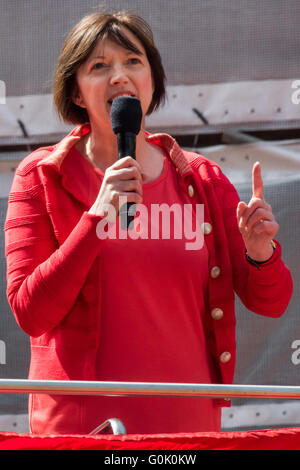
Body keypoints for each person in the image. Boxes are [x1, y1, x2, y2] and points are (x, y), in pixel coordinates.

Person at [4, 10, 293, 435]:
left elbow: (272, 302)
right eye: (99, 66)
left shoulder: (202, 179)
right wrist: (96, 218)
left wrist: (260, 252)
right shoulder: (41, 176)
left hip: (187, 427)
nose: (119, 75)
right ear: (78, 93)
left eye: (133, 61)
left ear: (152, 79)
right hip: (86, 431)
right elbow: (30, 312)